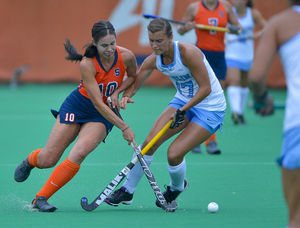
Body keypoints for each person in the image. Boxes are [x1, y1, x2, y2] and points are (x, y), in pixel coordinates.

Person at [13, 20, 137, 212]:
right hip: (78, 106)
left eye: (113, 43)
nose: (110, 49)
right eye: (104, 45)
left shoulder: (126, 55)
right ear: (95, 44)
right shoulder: (88, 63)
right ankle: (30, 160)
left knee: (79, 153)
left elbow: (133, 76)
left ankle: (40, 198)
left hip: (102, 115)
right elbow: (96, 101)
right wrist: (124, 127)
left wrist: (118, 92)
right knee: (48, 160)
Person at [104, 18, 226, 211]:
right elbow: (135, 82)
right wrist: (125, 95)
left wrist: (182, 111)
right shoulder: (154, 59)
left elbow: (205, 89)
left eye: (159, 41)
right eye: (151, 40)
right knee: (148, 145)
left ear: (170, 37)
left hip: (210, 107)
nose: (154, 45)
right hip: (183, 100)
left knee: (174, 154)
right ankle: (127, 191)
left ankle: (177, 188)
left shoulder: (188, 53)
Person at [248, 1, 300, 227]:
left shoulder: (280, 23)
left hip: (297, 126)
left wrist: (261, 99)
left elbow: (256, 78)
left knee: (296, 218)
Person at [176, 0, 241, 154]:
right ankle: (199, 140)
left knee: (216, 97)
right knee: (199, 95)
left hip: (219, 56)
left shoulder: (225, 6)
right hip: (200, 56)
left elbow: (238, 28)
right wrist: (185, 28)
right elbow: (180, 30)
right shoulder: (194, 7)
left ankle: (210, 139)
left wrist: (234, 29)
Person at [225, 0, 266, 125]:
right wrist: (225, 38)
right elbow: (220, 28)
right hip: (232, 52)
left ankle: (240, 114)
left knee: (244, 83)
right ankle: (235, 112)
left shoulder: (253, 13)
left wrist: (258, 34)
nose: (236, 1)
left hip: (247, 54)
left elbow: (268, 27)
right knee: (234, 80)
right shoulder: (228, 12)